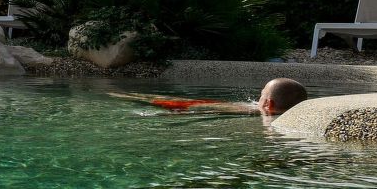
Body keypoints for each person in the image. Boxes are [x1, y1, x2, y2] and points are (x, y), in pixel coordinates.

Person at [120, 78, 309, 118]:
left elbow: (199, 109)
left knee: (151, 100)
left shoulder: (255, 113)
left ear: (268, 103)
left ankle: (123, 95)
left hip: (195, 107)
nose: (257, 99)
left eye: (261, 96)